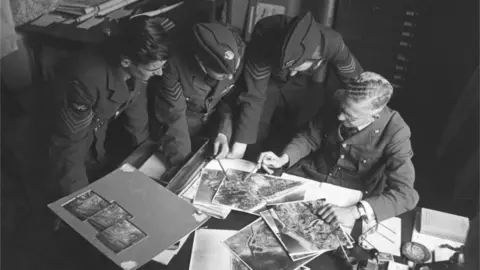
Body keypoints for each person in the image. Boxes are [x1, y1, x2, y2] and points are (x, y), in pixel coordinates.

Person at [258, 72, 419, 225]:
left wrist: (354, 212)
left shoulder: (396, 131)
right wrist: (284, 158)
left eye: (350, 117)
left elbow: (405, 194)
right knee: (264, 212)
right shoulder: (338, 97)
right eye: (342, 109)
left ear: (374, 117)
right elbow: (311, 136)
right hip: (312, 176)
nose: (340, 117)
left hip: (351, 193)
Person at [47, 16, 172, 201]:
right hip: (56, 152)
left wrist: (145, 158)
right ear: (126, 61)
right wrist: (79, 200)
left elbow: (137, 116)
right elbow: (68, 146)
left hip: (95, 143)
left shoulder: (137, 64)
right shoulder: (84, 80)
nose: (160, 73)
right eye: (154, 68)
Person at [225, 11, 364, 159]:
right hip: (268, 80)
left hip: (301, 84)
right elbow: (254, 94)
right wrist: (240, 148)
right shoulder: (265, 34)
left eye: (296, 67)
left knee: (295, 130)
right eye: (289, 68)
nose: (290, 72)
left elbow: (359, 84)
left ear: (318, 59)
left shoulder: (333, 43)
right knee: (256, 130)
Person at [151, 22, 245, 167]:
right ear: (201, 62)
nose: (230, 78)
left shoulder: (236, 53)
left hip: (210, 132)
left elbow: (227, 102)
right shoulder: (173, 66)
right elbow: (174, 115)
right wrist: (182, 168)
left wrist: (222, 133)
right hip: (179, 133)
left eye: (235, 70)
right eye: (222, 74)